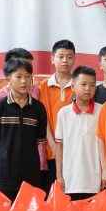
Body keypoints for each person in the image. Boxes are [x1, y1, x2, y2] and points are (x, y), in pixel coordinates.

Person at [0, 56, 47, 199]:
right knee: (3, 208)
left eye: (27, 76)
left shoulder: (38, 108)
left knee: (29, 209)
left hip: (31, 173)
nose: (24, 81)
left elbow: (40, 138)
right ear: (8, 79)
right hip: (4, 172)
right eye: (18, 77)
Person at [54, 66, 106, 201]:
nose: (88, 89)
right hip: (71, 180)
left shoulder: (102, 111)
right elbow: (59, 147)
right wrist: (59, 176)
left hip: (95, 180)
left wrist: (105, 170)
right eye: (83, 84)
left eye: (92, 85)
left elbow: (105, 144)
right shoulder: (63, 113)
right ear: (73, 86)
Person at [38, 39, 77, 191]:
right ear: (52, 59)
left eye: (69, 57)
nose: (65, 60)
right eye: (61, 56)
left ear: (74, 59)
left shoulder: (79, 85)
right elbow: (43, 118)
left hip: (74, 151)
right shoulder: (42, 86)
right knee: (51, 194)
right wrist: (53, 145)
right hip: (50, 152)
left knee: (72, 195)